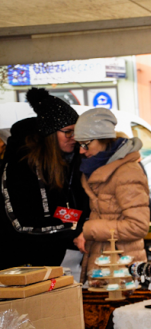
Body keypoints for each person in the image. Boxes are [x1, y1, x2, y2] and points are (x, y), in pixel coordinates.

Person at [0, 88, 89, 270]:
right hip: (20, 260)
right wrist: (75, 226)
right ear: (49, 133)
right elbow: (28, 218)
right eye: (68, 132)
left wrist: (81, 221)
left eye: (76, 132)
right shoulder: (24, 164)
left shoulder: (67, 160)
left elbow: (58, 210)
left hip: (56, 255)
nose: (74, 138)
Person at [73, 108, 149, 282]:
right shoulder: (97, 169)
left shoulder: (126, 172)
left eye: (86, 144)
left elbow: (138, 225)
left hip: (122, 270)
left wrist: (89, 230)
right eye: (79, 144)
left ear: (103, 139)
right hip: (106, 265)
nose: (82, 151)